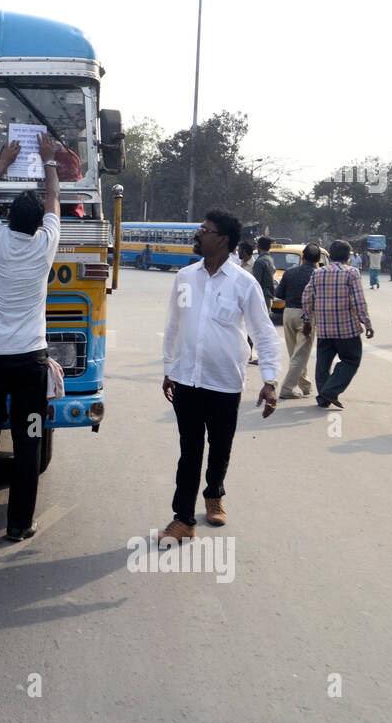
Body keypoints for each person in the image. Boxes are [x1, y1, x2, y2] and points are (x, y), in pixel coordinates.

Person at [159, 209, 281, 544]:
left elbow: (264, 332)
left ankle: (214, 493)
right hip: (187, 379)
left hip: (224, 381)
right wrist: (169, 368)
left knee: (220, 446)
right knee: (190, 450)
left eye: (204, 230)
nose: (197, 233)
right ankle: (183, 519)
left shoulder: (244, 283)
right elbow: (174, 325)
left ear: (223, 240)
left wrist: (270, 380)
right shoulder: (185, 277)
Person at [0, 133, 59, 542]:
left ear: (7, 218)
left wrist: (3, 162)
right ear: (39, 225)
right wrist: (49, 160)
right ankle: (19, 525)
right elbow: (54, 199)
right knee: (29, 442)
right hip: (29, 364)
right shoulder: (45, 246)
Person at [301, 240, 374, 409]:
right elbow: (359, 301)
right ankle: (331, 390)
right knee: (351, 360)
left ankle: (323, 398)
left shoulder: (318, 273)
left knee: (323, 364)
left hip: (325, 328)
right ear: (348, 256)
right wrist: (367, 323)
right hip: (346, 329)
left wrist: (307, 320)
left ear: (331, 256)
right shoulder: (351, 273)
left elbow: (307, 298)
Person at [275, 243, 320, 399]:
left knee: (296, 353)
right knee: (300, 355)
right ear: (318, 259)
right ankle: (287, 388)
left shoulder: (290, 272)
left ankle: (305, 385)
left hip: (288, 314)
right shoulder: (318, 274)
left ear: (303, 257)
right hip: (307, 317)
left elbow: (279, 293)